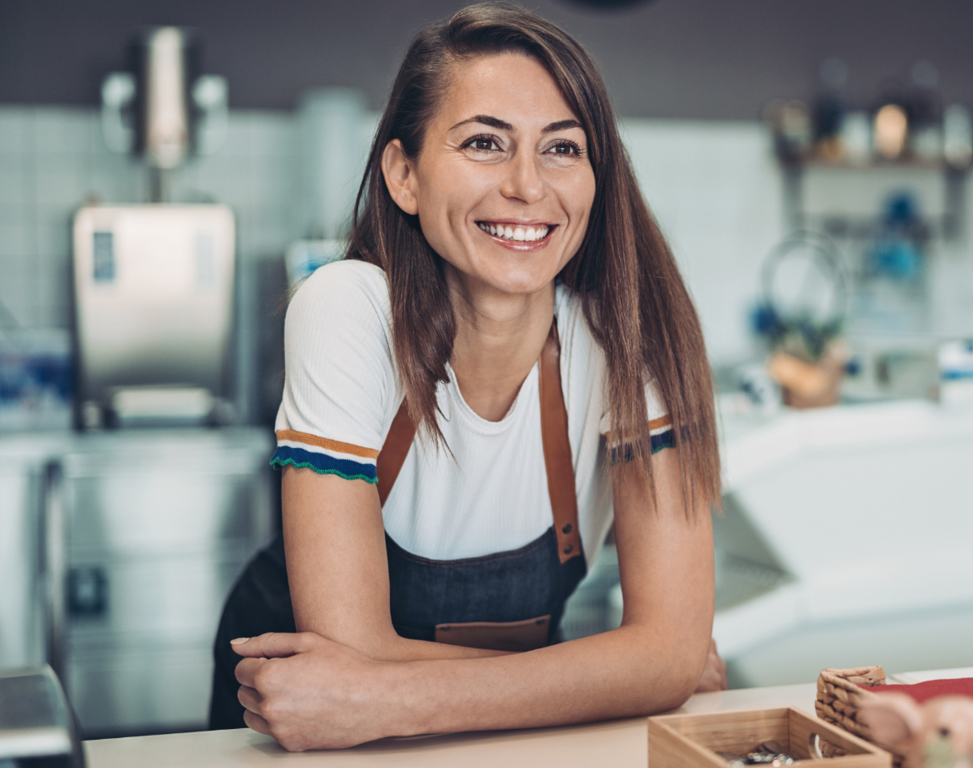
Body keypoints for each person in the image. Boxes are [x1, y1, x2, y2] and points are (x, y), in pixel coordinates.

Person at [207, 3, 725, 750]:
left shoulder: (632, 334)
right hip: (295, 731)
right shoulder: (345, 307)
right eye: (484, 142)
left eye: (562, 149)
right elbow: (349, 645)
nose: (525, 185)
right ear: (404, 175)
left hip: (494, 744)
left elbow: (670, 654)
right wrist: (619, 674)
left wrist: (380, 693)